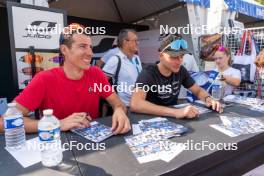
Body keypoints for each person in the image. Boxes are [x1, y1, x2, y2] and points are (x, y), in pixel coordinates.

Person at [0, 23, 131, 134]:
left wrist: (119, 110)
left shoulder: (96, 73)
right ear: (64, 50)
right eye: (82, 46)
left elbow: (118, 103)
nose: (90, 53)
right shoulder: (44, 79)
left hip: (93, 144)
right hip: (55, 149)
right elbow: (3, 123)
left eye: (90, 47)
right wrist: (57, 124)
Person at [130, 34, 222, 119]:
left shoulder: (181, 70)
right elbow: (136, 104)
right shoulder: (148, 73)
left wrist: (208, 99)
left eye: (181, 56)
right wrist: (175, 112)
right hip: (151, 120)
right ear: (161, 56)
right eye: (174, 57)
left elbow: (197, 91)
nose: (179, 61)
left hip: (174, 120)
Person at [102, 29, 142, 107]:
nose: (137, 43)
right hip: (125, 107)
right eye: (135, 40)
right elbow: (101, 83)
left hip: (139, 103)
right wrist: (115, 101)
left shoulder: (136, 58)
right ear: (125, 42)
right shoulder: (115, 60)